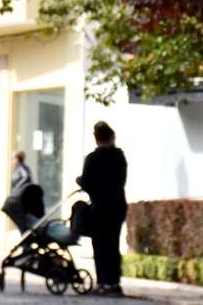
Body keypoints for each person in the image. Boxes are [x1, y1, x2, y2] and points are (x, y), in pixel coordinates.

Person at [76, 121, 128, 298]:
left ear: (97, 139)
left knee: (99, 246)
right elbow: (121, 180)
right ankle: (114, 283)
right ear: (111, 137)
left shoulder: (92, 158)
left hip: (100, 208)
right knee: (113, 245)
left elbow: (86, 182)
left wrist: (80, 181)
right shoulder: (119, 156)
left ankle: (103, 283)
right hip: (117, 206)